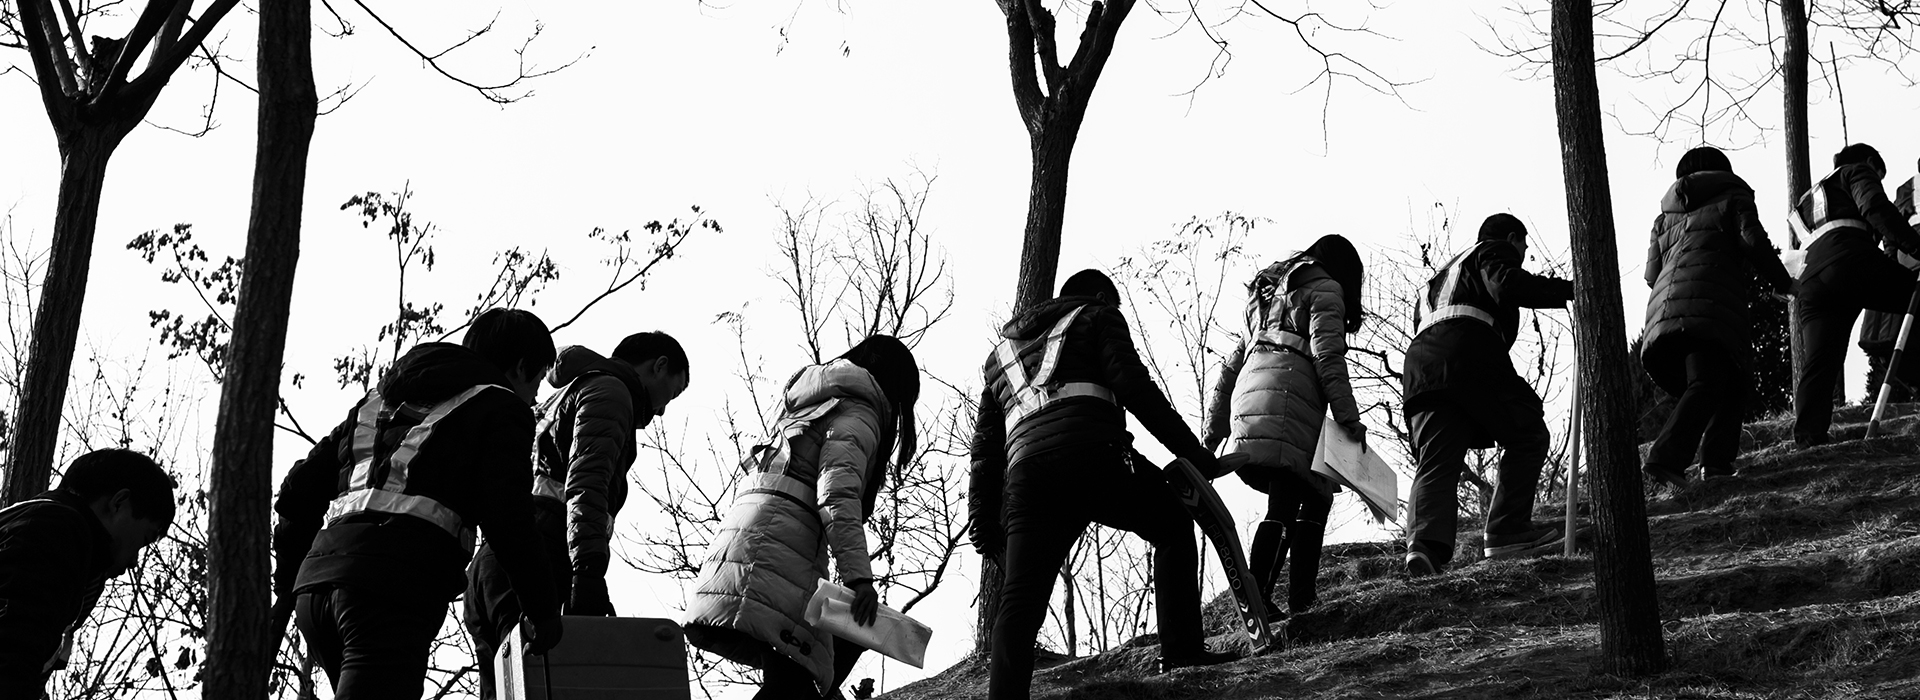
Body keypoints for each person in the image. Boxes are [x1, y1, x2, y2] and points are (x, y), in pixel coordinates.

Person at [273, 308, 563, 699]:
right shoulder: (501, 406)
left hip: (316, 592)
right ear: (521, 367)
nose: (535, 398)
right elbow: (508, 518)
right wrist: (543, 611)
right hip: (390, 593)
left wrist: (288, 585)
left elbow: (298, 490)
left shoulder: (376, 401)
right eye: (538, 380)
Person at [970, 269, 1232, 700]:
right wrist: (1193, 454)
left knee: (1019, 599)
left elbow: (985, 449)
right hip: (1095, 455)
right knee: (1171, 522)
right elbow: (1134, 387)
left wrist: (982, 516)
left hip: (1028, 479)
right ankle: (1182, 654)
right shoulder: (1097, 315)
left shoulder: (1000, 357)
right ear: (1099, 296)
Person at [683, 335, 921, 700]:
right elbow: (837, 494)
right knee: (798, 679)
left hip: (745, 540)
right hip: (779, 547)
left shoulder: (810, 401)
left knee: (795, 678)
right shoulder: (860, 411)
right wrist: (859, 580)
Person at [464, 332, 690, 699]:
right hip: (543, 552)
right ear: (659, 366)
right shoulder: (611, 393)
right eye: (672, 393)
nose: (663, 409)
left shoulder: (559, 398)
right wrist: (587, 571)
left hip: (493, 566)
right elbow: (587, 484)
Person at [1203, 234, 1367, 619]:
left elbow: (1231, 366)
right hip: (1288, 400)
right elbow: (1328, 356)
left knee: (1317, 494)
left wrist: (1214, 431)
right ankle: (1257, 595)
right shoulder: (1326, 289)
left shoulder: (1265, 296)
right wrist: (1348, 418)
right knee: (1286, 498)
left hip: (1250, 405)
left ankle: (1300, 600)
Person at [1401, 214, 1574, 577]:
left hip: (1421, 365)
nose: (1522, 255)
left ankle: (1423, 547)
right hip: (1468, 350)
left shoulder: (1437, 280)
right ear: (1512, 239)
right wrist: (1572, 290)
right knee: (1526, 430)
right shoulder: (1492, 250)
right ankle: (1506, 530)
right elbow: (1505, 283)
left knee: (1437, 457)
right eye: (1523, 247)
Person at [1639, 146, 1795, 486]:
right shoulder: (1733, 196)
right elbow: (1753, 241)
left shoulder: (1663, 218)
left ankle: (1717, 465)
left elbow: (1652, 275)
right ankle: (1665, 459)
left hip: (1664, 314)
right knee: (1709, 381)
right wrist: (1785, 282)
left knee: (1730, 381)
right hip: (1708, 305)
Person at [0, 449, 174, 697]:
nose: (135, 561)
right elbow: (13, 653)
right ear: (119, 503)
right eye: (144, 540)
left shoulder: (30, 520)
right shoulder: (56, 530)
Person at [1791, 144, 1920, 447]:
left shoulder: (1806, 199)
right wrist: (1916, 247)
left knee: (1820, 360)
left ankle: (1809, 439)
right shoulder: (1856, 171)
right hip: (1850, 260)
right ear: (1870, 162)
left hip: (1811, 280)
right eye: (1880, 175)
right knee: (1914, 299)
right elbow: (1875, 207)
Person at [1858, 162, 1920, 403]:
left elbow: (1890, 235)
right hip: (1909, 270)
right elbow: (1891, 234)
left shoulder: (1906, 190)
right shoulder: (1905, 191)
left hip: (1906, 266)